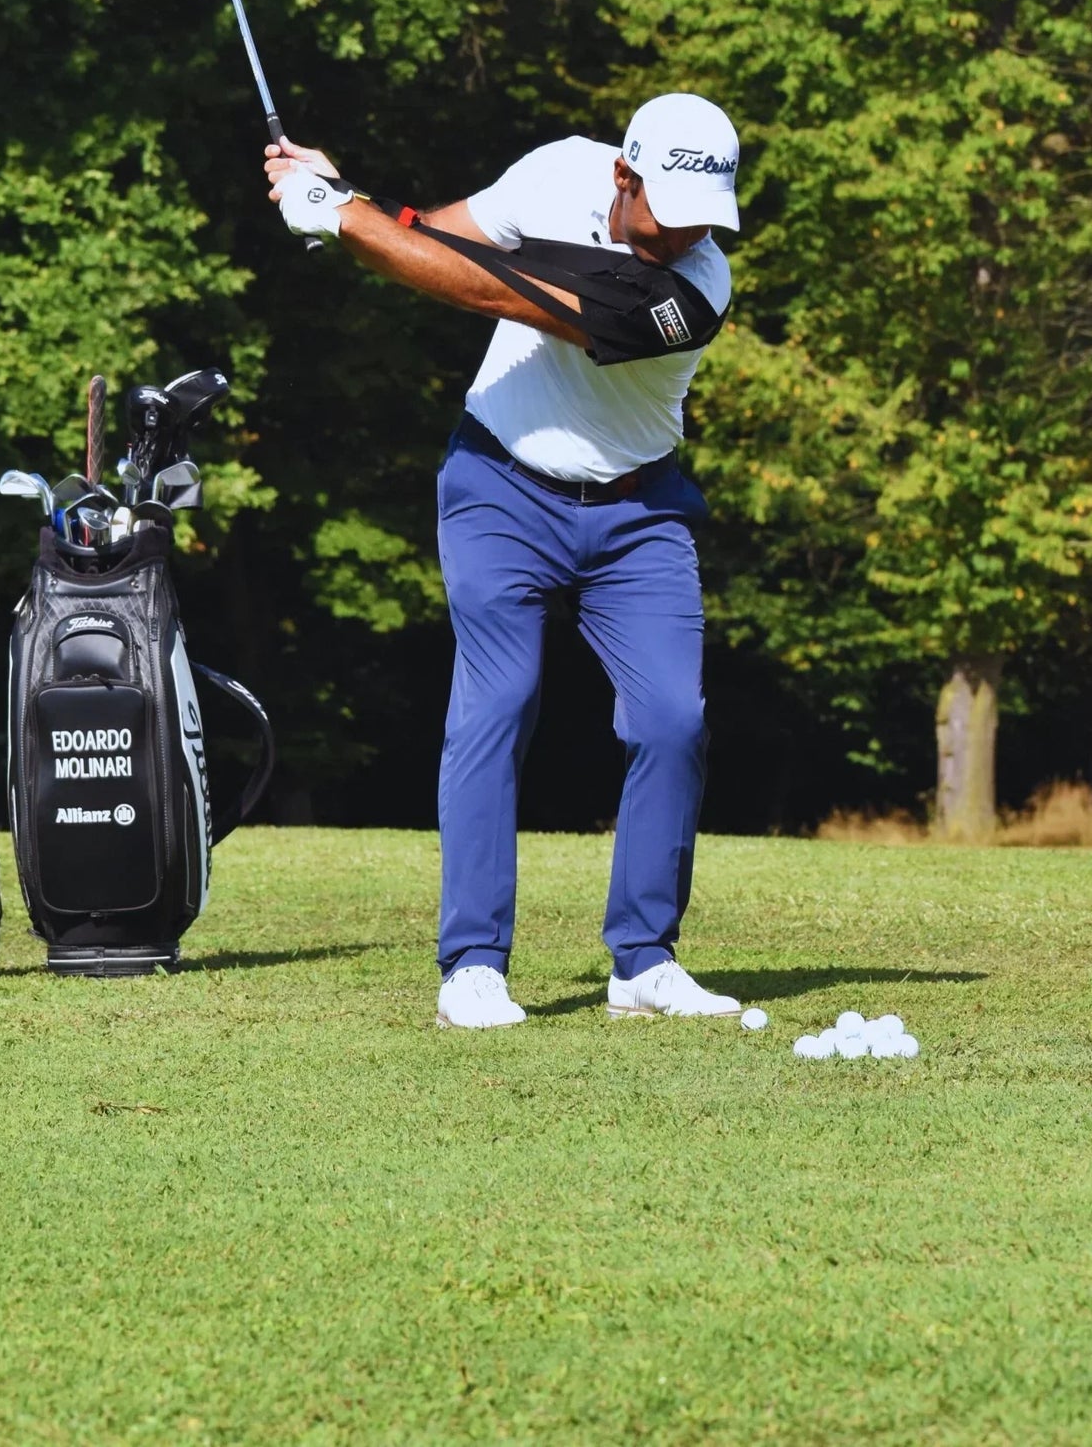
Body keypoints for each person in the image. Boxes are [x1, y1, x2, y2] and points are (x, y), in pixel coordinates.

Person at [264, 94, 743, 1028]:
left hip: (637, 512)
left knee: (672, 720)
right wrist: (340, 206)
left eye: (703, 217)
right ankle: (471, 966)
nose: (685, 231)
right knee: (499, 701)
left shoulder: (693, 293)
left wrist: (341, 214)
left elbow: (497, 291)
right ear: (623, 175)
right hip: (498, 486)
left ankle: (643, 963)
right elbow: (440, 239)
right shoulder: (560, 168)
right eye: (669, 209)